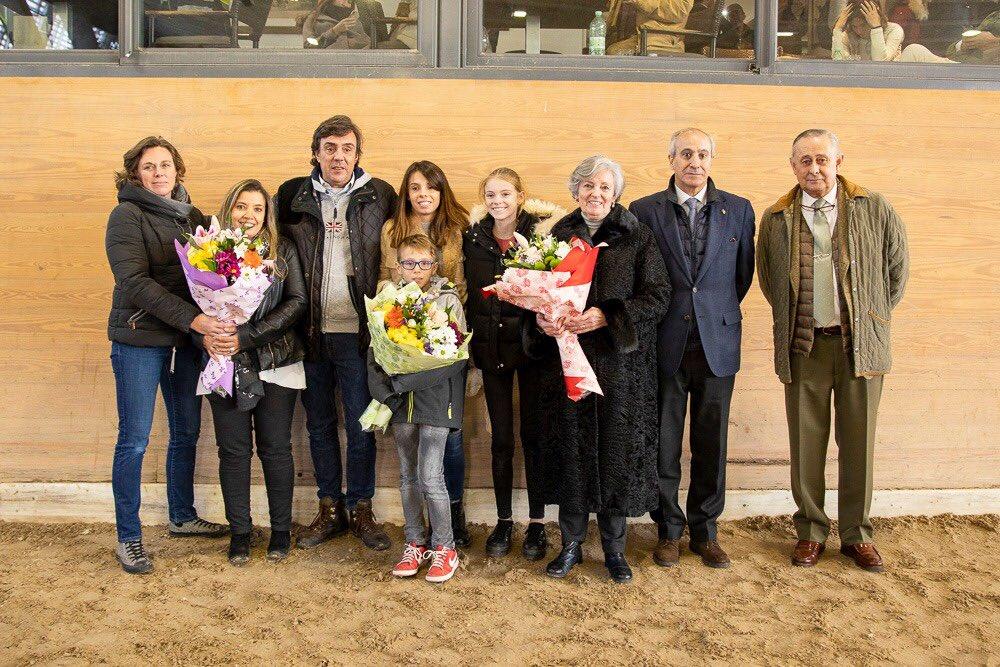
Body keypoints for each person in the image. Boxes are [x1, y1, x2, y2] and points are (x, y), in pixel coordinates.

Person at [756, 129, 909, 572]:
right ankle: (810, 532)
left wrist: (868, 317)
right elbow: (770, 282)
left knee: (859, 443)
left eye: (821, 159)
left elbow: (895, 274)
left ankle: (857, 535)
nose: (814, 169)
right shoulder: (776, 218)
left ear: (840, 159)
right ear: (793, 166)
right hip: (805, 345)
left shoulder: (873, 208)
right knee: (806, 443)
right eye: (804, 161)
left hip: (860, 345)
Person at [530, 155, 670, 584]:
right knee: (571, 450)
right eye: (588, 186)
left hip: (619, 369)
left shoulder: (637, 236)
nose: (595, 194)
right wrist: (541, 316)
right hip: (566, 365)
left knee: (615, 452)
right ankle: (570, 543)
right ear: (575, 192)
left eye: (604, 188)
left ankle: (613, 548)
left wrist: (607, 315)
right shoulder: (556, 235)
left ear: (616, 194)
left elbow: (658, 296)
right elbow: (538, 289)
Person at [629, 128, 755, 570]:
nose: (694, 162)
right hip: (665, 343)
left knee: (711, 441)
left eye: (702, 154)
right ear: (671, 160)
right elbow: (640, 278)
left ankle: (706, 531)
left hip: (717, 341)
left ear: (711, 160)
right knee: (663, 441)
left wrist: (712, 313)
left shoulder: (738, 210)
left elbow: (741, 278)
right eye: (685, 154)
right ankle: (667, 530)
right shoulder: (644, 211)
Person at [105, 136, 230, 574]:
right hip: (139, 339)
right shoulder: (126, 215)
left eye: (165, 165)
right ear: (135, 174)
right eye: (148, 167)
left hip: (183, 344)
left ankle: (181, 516)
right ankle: (129, 536)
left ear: (178, 170)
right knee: (135, 439)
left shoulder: (194, 217)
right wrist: (195, 321)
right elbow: (134, 282)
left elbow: (211, 278)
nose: (158, 173)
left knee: (186, 432)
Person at [277, 115, 397, 552]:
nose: (338, 156)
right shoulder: (292, 195)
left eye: (347, 148)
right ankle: (329, 507)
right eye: (329, 147)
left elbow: (395, 251)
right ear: (316, 153)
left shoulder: (379, 194)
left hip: (359, 334)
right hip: (309, 332)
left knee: (362, 423)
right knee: (320, 423)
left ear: (357, 154)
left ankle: (361, 507)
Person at [196, 179, 307, 566]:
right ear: (230, 210)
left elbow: (297, 302)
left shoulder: (282, 250)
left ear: (267, 215)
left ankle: (280, 532)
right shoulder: (207, 254)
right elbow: (194, 309)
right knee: (233, 451)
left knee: (276, 448)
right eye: (242, 207)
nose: (249, 215)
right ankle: (240, 533)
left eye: (257, 209)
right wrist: (213, 339)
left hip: (277, 362)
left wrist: (246, 336)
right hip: (224, 363)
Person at [463, 168, 567, 560]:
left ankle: (537, 524)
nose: (498, 201)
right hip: (492, 353)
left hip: (534, 351)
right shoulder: (473, 238)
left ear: (520, 196)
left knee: (536, 437)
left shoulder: (543, 234)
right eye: (490, 195)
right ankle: (504, 520)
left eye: (505, 194)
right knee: (502, 439)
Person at [379, 160, 471, 547]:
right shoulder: (392, 230)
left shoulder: (455, 229)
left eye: (431, 188)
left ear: (441, 191)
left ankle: (453, 512)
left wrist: (442, 322)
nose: (423, 195)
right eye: (415, 187)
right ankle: (419, 533)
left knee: (449, 437)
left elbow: (461, 287)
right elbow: (384, 279)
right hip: (402, 339)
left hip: (445, 344)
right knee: (411, 444)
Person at [368, 235, 467, 583]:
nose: (416, 270)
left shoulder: (449, 301)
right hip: (399, 403)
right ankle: (415, 542)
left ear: (435, 266)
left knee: (430, 475)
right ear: (397, 265)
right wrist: (385, 391)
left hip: (436, 402)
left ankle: (445, 547)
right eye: (408, 263)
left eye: (424, 263)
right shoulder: (385, 301)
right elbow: (376, 353)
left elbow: (456, 357)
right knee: (408, 476)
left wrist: (404, 383)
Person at [832, 0, 955, 62]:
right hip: (863, 88)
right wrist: (837, 30)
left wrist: (876, 27)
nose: (858, 30)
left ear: (875, 18)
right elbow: (837, 62)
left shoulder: (893, 30)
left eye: (863, 25)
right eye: (854, 26)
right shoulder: (848, 36)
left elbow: (880, 62)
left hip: (894, 84)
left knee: (914, 50)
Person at [607, 0, 696, 55]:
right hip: (621, 39)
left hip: (655, 41)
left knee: (612, 54)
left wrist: (640, 1)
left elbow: (679, 10)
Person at [300, 0, 389, 49]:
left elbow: (367, 44)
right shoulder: (313, 19)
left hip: (355, 65)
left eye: (350, 2)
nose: (346, 4)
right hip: (328, 66)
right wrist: (334, 32)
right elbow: (309, 46)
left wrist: (357, 44)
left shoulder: (354, 20)